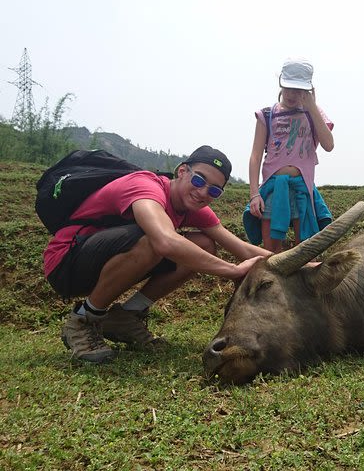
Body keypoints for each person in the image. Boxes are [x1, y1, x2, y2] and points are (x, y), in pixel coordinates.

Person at [44, 145, 272, 363]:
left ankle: (126, 317)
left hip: (100, 263)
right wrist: (231, 270)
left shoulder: (193, 207)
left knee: (204, 243)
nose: (203, 192)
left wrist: (304, 263)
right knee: (154, 240)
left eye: (213, 190)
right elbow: (164, 241)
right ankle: (84, 320)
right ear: (182, 171)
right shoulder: (145, 187)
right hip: (67, 262)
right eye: (199, 180)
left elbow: (242, 248)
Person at [244, 57, 335, 253]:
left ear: (308, 90)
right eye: (289, 88)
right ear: (280, 83)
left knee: (306, 250)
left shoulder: (314, 113)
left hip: (303, 187)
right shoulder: (267, 114)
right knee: (271, 251)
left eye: (299, 90)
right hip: (273, 188)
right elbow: (255, 156)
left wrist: (311, 107)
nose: (293, 94)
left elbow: (328, 145)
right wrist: (254, 194)